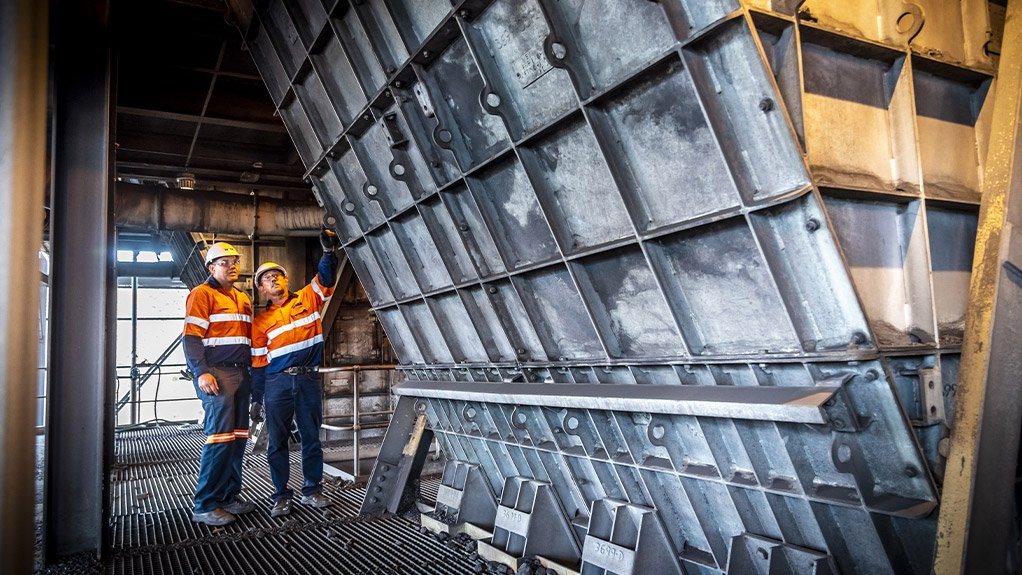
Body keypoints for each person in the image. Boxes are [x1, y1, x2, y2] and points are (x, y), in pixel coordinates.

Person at [250, 229, 340, 517]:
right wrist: (257, 398)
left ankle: (312, 491)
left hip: (308, 379)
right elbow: (259, 365)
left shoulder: (307, 298)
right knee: (277, 441)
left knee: (312, 437)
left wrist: (328, 254)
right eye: (266, 279)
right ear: (261, 290)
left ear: (286, 280)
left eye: (277, 275)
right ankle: (280, 496)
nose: (273, 279)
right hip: (277, 383)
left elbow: (325, 280)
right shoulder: (260, 323)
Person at [182, 241, 256, 526]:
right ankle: (204, 504)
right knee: (220, 438)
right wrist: (201, 371)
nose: (232, 265)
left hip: (241, 373)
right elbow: (191, 337)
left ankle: (228, 496)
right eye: (225, 262)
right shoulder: (201, 294)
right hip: (217, 373)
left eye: (235, 261)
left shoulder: (242, 298)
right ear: (211, 267)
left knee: (237, 439)